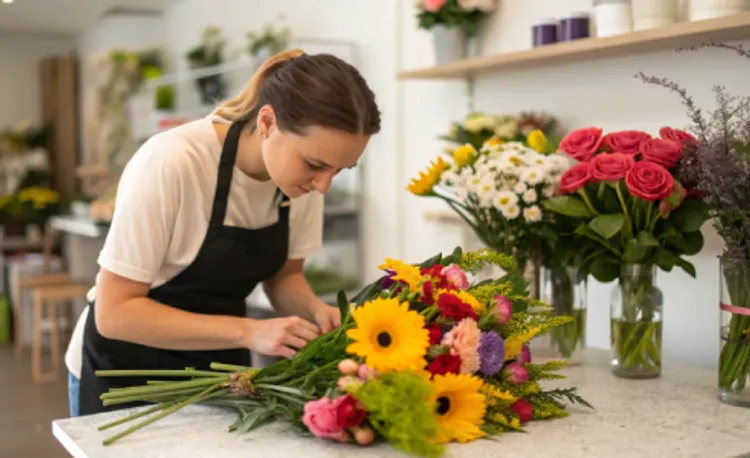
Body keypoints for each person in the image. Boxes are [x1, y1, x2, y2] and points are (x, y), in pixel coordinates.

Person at [64, 49, 382, 417]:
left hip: (217, 371)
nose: (324, 185)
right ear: (267, 123)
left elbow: (284, 276)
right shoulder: (173, 162)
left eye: (340, 170)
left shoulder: (301, 184)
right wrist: (250, 331)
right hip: (124, 370)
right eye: (315, 164)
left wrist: (318, 312)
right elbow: (115, 313)